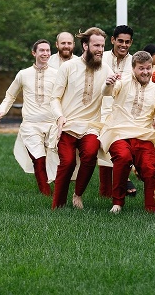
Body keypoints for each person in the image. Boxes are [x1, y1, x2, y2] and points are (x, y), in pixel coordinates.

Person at [99, 51, 155, 214]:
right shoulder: (122, 81)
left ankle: (152, 208)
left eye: (148, 68)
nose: (145, 72)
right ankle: (117, 203)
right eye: (141, 68)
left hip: (144, 136)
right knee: (123, 158)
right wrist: (108, 83)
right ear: (133, 68)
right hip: (118, 134)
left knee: (150, 168)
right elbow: (107, 92)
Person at [50, 27, 112, 209]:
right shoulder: (68, 67)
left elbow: (108, 94)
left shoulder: (106, 68)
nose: (100, 50)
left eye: (102, 46)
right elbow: (55, 98)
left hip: (91, 126)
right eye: (96, 45)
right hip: (67, 124)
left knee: (90, 155)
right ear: (85, 45)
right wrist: (60, 117)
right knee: (67, 162)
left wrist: (110, 85)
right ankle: (58, 204)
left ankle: (78, 195)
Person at [0, 39, 57, 196]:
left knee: (53, 159)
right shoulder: (23, 74)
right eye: (41, 50)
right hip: (30, 124)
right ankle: (46, 193)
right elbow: (10, 95)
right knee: (38, 158)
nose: (45, 53)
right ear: (34, 53)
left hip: (52, 124)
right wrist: (2, 110)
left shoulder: (57, 74)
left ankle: (57, 189)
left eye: (48, 50)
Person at [100, 24, 135, 197]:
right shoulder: (102, 57)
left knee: (121, 145)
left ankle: (120, 182)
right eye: (120, 41)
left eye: (127, 42)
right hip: (100, 106)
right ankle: (105, 189)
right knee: (102, 145)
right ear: (112, 40)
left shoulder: (134, 61)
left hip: (123, 110)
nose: (123, 45)